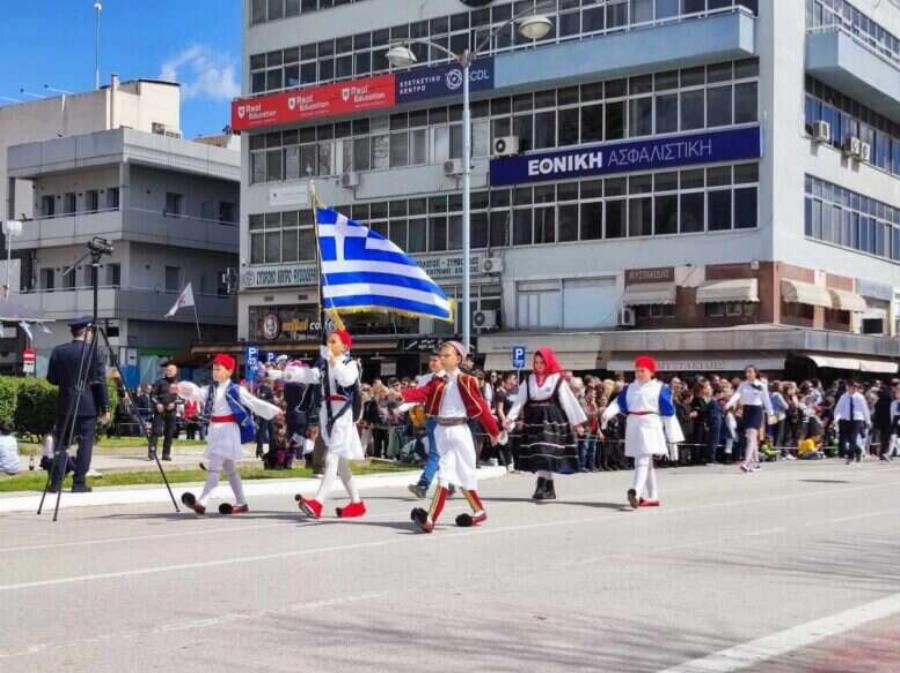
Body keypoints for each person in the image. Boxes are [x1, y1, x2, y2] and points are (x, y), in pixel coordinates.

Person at [399, 341, 500, 533]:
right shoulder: (438, 381)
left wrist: (494, 431)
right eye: (441, 356)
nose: (442, 359)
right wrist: (401, 395)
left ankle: (430, 519)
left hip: (458, 431)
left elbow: (481, 407)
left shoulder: (466, 380)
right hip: (441, 430)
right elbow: (422, 393)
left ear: (458, 359)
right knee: (460, 474)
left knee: (446, 474)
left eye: (446, 356)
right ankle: (479, 511)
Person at [177, 354, 282, 514]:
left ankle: (203, 501)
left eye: (219, 369)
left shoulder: (236, 389)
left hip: (228, 430)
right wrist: (180, 388)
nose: (215, 372)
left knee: (214, 466)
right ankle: (242, 502)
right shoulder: (210, 389)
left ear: (229, 371)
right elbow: (197, 393)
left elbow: (253, 402)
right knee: (230, 469)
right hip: (215, 430)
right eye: (214, 368)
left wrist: (274, 411)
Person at [286, 329, 367, 519]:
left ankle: (318, 503)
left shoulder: (351, 363)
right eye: (328, 342)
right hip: (327, 412)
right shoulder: (324, 366)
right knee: (340, 464)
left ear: (345, 346)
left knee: (331, 458)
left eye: (333, 342)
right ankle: (357, 503)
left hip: (342, 414)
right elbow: (308, 375)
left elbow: (346, 379)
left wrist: (331, 360)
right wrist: (282, 373)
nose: (329, 345)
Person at [505, 347, 587, 502]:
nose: (539, 365)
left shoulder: (557, 379)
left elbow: (568, 401)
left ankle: (541, 485)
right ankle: (548, 488)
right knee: (541, 454)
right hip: (534, 420)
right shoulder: (528, 380)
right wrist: (510, 418)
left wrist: (577, 423)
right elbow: (519, 401)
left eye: (542, 362)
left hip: (552, 419)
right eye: (536, 362)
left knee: (545, 451)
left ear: (548, 362)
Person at [601, 355, 684, 509]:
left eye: (642, 371)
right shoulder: (630, 388)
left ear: (651, 372)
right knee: (646, 461)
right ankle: (653, 496)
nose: (639, 374)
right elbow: (618, 403)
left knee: (643, 459)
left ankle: (636, 492)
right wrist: (608, 413)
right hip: (633, 425)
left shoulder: (660, 388)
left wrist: (672, 436)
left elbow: (668, 412)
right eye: (637, 371)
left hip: (650, 425)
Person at [46, 316, 109, 493]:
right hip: (87, 405)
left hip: (65, 403)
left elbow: (52, 379)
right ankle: (79, 482)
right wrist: (105, 407)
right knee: (85, 444)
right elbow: (99, 382)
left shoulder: (59, 351)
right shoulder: (95, 352)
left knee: (61, 445)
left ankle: (56, 482)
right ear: (88, 332)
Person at [407, 351, 444, 498]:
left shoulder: (448, 379)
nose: (432, 363)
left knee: (436, 453)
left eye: (436, 360)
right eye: (430, 360)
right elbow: (417, 397)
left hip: (444, 420)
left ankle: (423, 484)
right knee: (439, 453)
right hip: (431, 419)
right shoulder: (426, 379)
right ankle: (451, 483)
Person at [726, 365, 774, 473]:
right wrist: (729, 403)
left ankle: (746, 462)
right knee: (751, 437)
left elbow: (766, 400)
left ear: (755, 373)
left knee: (751, 435)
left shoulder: (762, 385)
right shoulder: (743, 385)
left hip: (757, 410)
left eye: (750, 372)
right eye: (746, 372)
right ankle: (756, 463)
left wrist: (771, 414)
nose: (748, 374)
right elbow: (737, 395)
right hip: (746, 410)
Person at [834, 380, 871, 464]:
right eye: (853, 386)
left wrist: (868, 420)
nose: (854, 389)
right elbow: (838, 409)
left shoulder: (860, 397)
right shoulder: (843, 397)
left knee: (853, 438)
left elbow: (864, 409)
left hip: (857, 419)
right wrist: (835, 419)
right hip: (845, 419)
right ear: (848, 387)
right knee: (849, 439)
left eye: (856, 387)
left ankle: (851, 457)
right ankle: (858, 451)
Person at [149, 362, 179, 461]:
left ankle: (166, 454)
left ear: (175, 372)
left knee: (169, 433)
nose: (169, 372)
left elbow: (182, 398)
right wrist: (157, 404)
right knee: (155, 432)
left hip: (171, 411)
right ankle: (152, 453)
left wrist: (174, 403)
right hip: (160, 410)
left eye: (171, 370)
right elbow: (152, 396)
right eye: (167, 370)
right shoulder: (159, 382)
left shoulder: (178, 384)